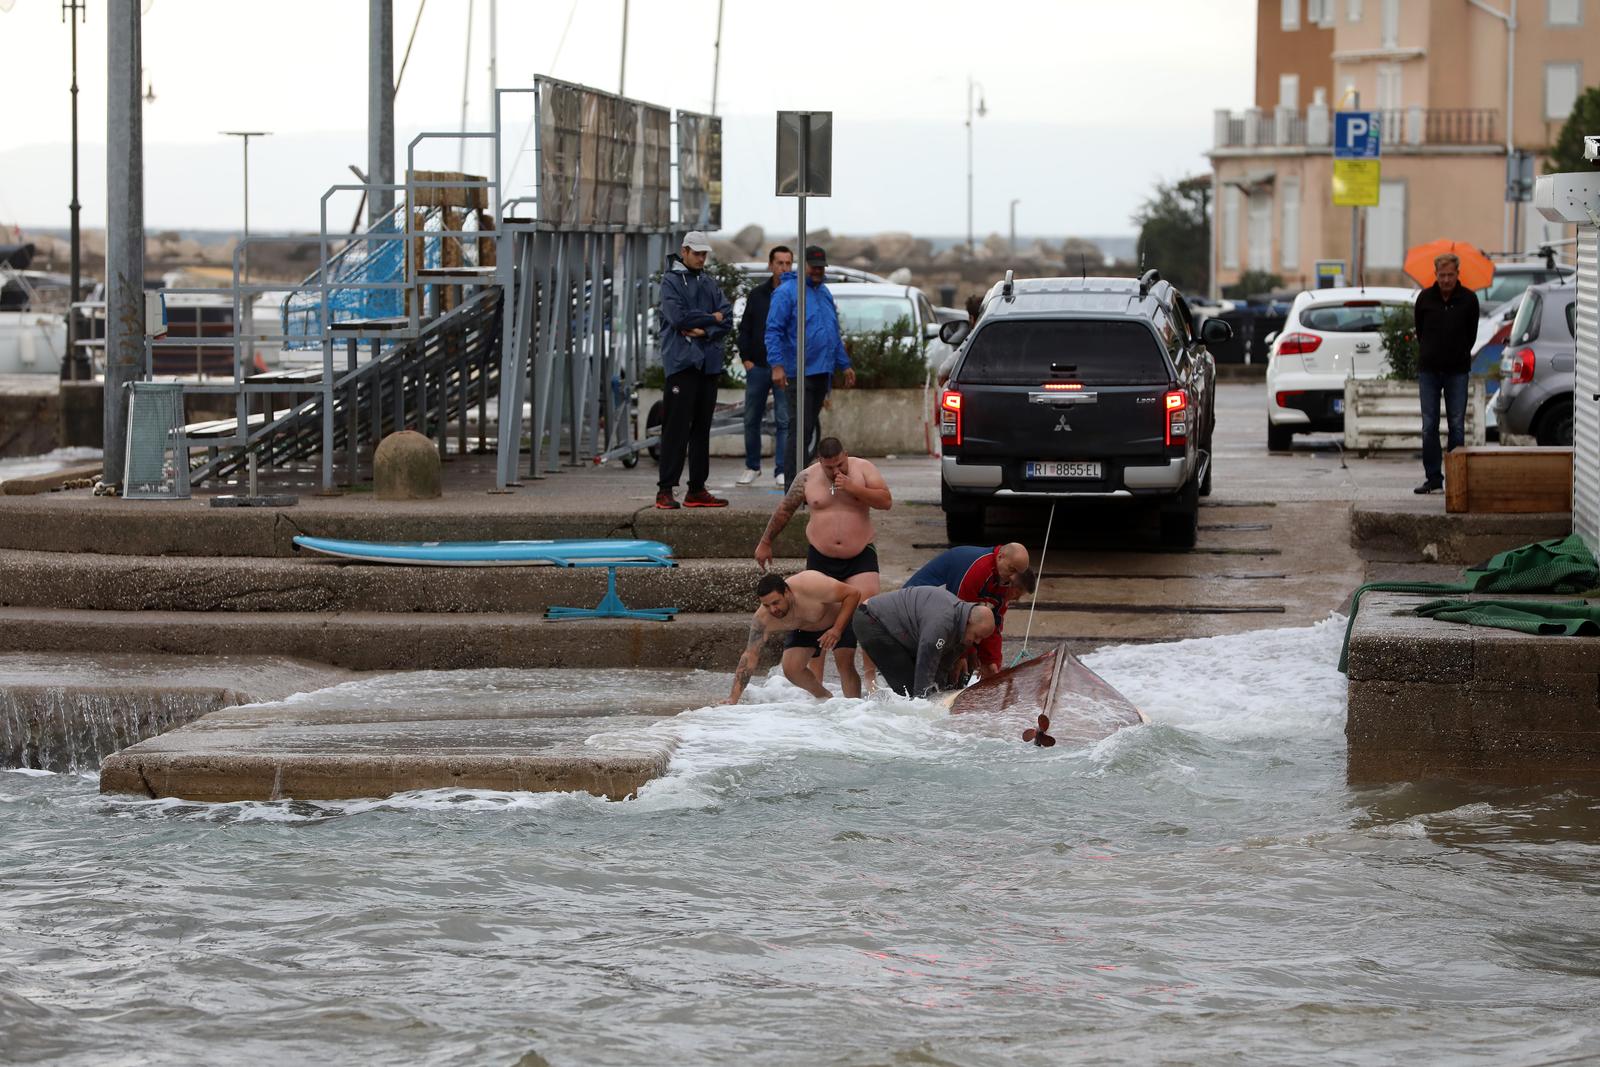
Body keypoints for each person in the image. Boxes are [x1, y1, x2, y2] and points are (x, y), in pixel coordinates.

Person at [755, 436, 890, 687]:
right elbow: (785, 509)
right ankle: (816, 678)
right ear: (820, 462)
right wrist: (765, 542)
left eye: (840, 464)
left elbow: (886, 501)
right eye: (830, 467)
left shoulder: (864, 469)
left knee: (868, 611)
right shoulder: (807, 477)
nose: (836, 470)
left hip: (860, 553)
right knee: (817, 614)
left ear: (846, 455)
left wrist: (853, 488)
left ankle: (871, 675)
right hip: (821, 555)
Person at [655, 231, 733, 510]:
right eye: (697, 253)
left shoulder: (709, 283)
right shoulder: (670, 281)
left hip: (708, 366)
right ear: (684, 251)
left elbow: (728, 318)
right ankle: (665, 490)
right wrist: (713, 319)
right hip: (682, 365)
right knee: (675, 429)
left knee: (702, 430)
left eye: (704, 254)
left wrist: (704, 328)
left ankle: (696, 489)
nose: (702, 258)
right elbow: (677, 318)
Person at [765, 245, 854, 488]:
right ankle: (793, 490)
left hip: (820, 373)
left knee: (808, 431)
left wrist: (844, 365)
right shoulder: (787, 292)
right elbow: (773, 331)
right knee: (799, 431)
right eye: (813, 266)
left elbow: (832, 332)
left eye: (821, 267)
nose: (817, 271)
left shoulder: (824, 292)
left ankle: (805, 484)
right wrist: (777, 365)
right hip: (798, 373)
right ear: (803, 265)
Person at [724, 571, 864, 704]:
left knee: (844, 663)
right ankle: (825, 699)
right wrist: (733, 698)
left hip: (838, 621)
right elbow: (750, 656)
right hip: (805, 629)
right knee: (791, 668)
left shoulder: (810, 584)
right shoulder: (763, 618)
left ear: (787, 592)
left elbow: (853, 594)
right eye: (766, 605)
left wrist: (837, 629)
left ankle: (855, 708)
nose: (773, 610)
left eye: (776, 602)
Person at [903, 543, 1036, 680]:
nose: (1013, 578)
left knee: (969, 659)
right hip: (913, 610)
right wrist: (961, 655)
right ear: (1000, 557)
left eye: (1017, 573)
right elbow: (959, 615)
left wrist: (991, 661)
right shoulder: (979, 569)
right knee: (944, 667)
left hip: (941, 612)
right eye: (1011, 569)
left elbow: (993, 625)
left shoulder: (1003, 579)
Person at [1412, 251, 1480, 495]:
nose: (1446, 280)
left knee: (1456, 425)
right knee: (1429, 425)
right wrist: (1431, 352)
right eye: (1442, 275)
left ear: (1457, 274)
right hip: (1429, 370)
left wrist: (1459, 353)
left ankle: (1456, 478)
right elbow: (1420, 331)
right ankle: (1433, 478)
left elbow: (1472, 334)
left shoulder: (1469, 300)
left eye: (1450, 275)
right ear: (1436, 275)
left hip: (1457, 371)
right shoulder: (1425, 298)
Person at [853, 586, 996, 699]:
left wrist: (942, 691)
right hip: (871, 620)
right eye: (977, 635)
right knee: (909, 692)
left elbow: (943, 666)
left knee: (936, 688)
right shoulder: (943, 622)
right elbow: (926, 664)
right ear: (969, 622)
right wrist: (923, 702)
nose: (977, 641)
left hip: (901, 631)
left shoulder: (961, 626)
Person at [735, 246, 793, 488]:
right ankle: (752, 466)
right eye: (779, 263)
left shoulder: (794, 294)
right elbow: (745, 328)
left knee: (783, 419)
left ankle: (781, 469)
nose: (784, 268)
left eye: (788, 263)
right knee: (751, 419)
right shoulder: (758, 295)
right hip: (757, 366)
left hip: (784, 368)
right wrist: (746, 360)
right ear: (770, 265)